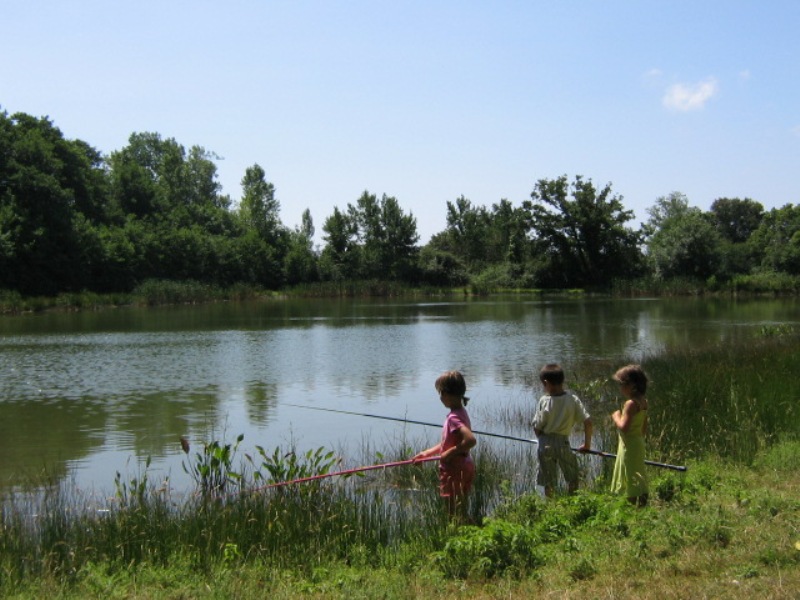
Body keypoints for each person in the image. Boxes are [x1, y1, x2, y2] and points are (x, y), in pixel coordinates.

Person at [413, 370, 477, 520]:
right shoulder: (461, 412)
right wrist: (427, 453)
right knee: (461, 508)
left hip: (454, 469)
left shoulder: (454, 418)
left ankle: (457, 535)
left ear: (448, 394)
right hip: (465, 465)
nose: (440, 397)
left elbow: (470, 440)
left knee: (452, 512)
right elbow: (447, 443)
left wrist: (449, 453)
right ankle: (470, 529)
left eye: (441, 393)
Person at [532, 363, 593, 497]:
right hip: (563, 443)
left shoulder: (544, 401)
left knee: (548, 480)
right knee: (572, 477)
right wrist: (587, 444)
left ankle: (550, 505)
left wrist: (541, 438)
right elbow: (588, 422)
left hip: (545, 443)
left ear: (546, 383)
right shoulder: (572, 399)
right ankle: (572, 502)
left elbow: (537, 427)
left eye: (543, 385)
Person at [610, 364, 649, 507]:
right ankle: (643, 502)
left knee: (630, 473)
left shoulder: (630, 404)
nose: (620, 389)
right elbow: (644, 427)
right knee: (638, 472)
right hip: (638, 442)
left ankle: (632, 505)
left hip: (629, 445)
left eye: (621, 385)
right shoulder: (643, 402)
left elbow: (624, 427)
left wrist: (616, 416)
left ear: (632, 385)